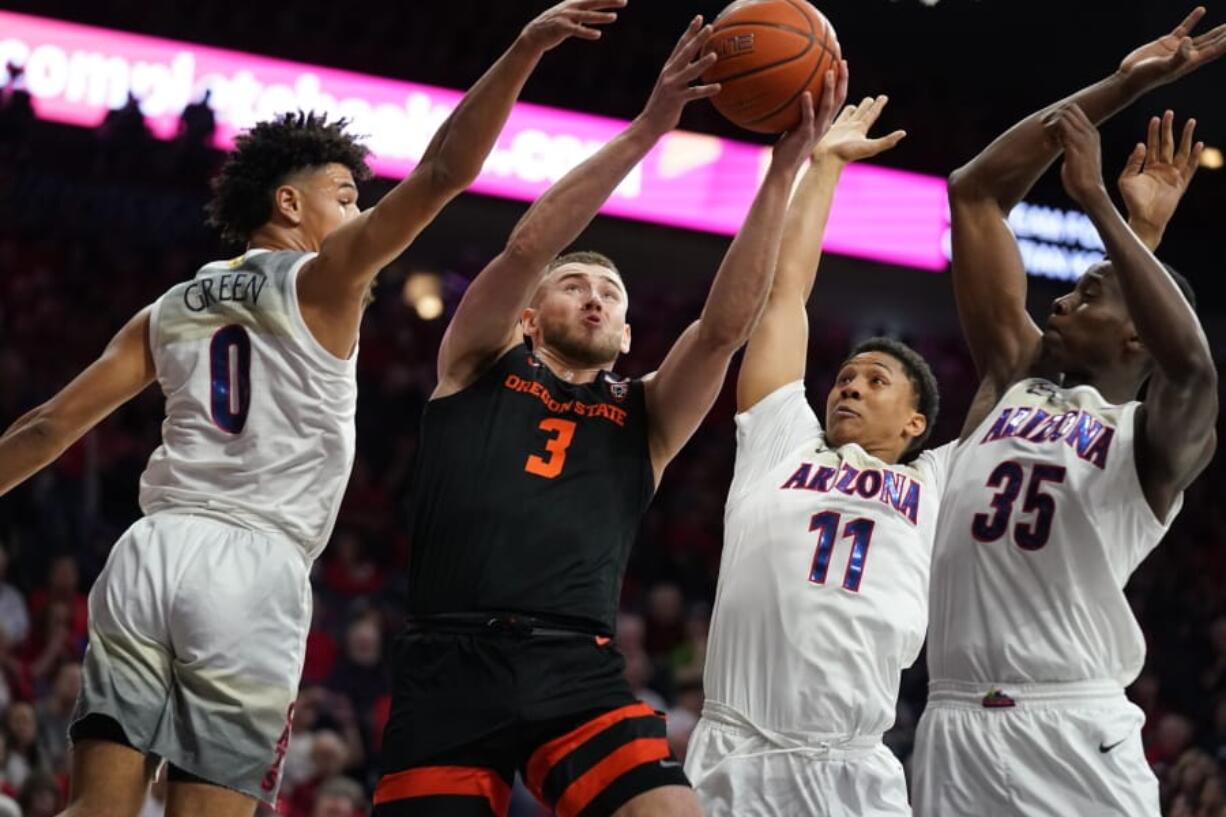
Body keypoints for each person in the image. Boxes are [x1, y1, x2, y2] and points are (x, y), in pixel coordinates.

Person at [0, 2, 624, 815]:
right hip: (251, 567)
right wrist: (522, 47)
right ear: (290, 207)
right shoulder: (325, 279)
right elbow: (444, 173)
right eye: (344, 196)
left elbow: (45, 427)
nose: (358, 214)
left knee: (94, 807)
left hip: (147, 553)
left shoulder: (170, 307)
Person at [374, 18, 837, 817]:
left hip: (574, 667)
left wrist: (784, 169)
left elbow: (725, 327)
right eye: (576, 282)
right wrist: (649, 130)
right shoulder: (478, 361)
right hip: (448, 661)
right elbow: (525, 248)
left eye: (611, 294)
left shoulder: (646, 411)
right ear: (527, 315)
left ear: (626, 336)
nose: (594, 294)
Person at [914, 8, 1225, 815]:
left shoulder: (1154, 440)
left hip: (1073, 725)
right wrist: (1119, 89)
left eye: (1087, 291)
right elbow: (975, 193)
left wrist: (1102, 207)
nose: (1059, 297)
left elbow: (1188, 363)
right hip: (951, 724)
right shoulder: (1012, 377)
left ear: (1130, 335)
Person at [683, 85, 951, 817]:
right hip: (737, 752)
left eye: (875, 381)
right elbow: (784, 299)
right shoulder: (780, 440)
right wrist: (824, 166)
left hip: (854, 768)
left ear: (916, 423)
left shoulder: (936, 483)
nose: (849, 389)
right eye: (843, 377)